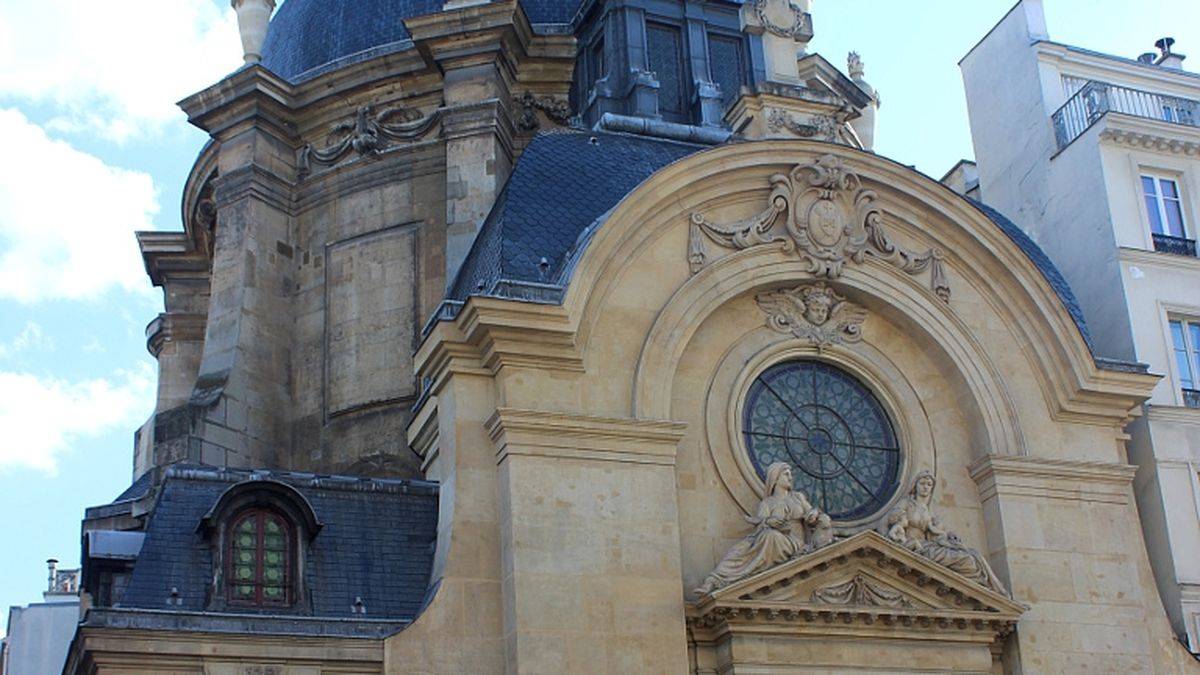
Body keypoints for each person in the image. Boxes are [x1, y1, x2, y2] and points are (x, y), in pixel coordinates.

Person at [696, 462, 832, 595]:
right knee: (742, 549)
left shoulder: (797, 497)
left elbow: (811, 511)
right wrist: (770, 522)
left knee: (769, 536)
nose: (790, 478)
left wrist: (813, 514)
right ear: (775, 478)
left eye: (790, 474)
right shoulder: (767, 503)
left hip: (796, 542)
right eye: (786, 474)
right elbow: (761, 525)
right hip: (777, 539)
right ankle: (715, 580)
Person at [886, 470, 1009, 596]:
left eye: (929, 484)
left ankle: (986, 590)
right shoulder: (906, 503)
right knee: (966, 559)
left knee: (971, 558)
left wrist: (949, 535)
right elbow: (891, 521)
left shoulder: (928, 510)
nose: (925, 487)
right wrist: (899, 525)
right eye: (922, 483)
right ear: (915, 485)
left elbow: (937, 531)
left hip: (928, 546)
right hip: (913, 545)